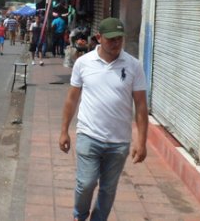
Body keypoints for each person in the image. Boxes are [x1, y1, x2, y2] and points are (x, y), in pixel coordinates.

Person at [59, 18, 148, 221]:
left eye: (119, 39)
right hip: (89, 135)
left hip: (119, 142)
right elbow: (72, 99)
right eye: (111, 39)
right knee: (87, 183)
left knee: (108, 189)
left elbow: (141, 106)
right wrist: (64, 130)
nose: (116, 43)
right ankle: (79, 216)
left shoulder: (134, 66)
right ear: (99, 38)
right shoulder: (83, 63)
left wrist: (141, 142)